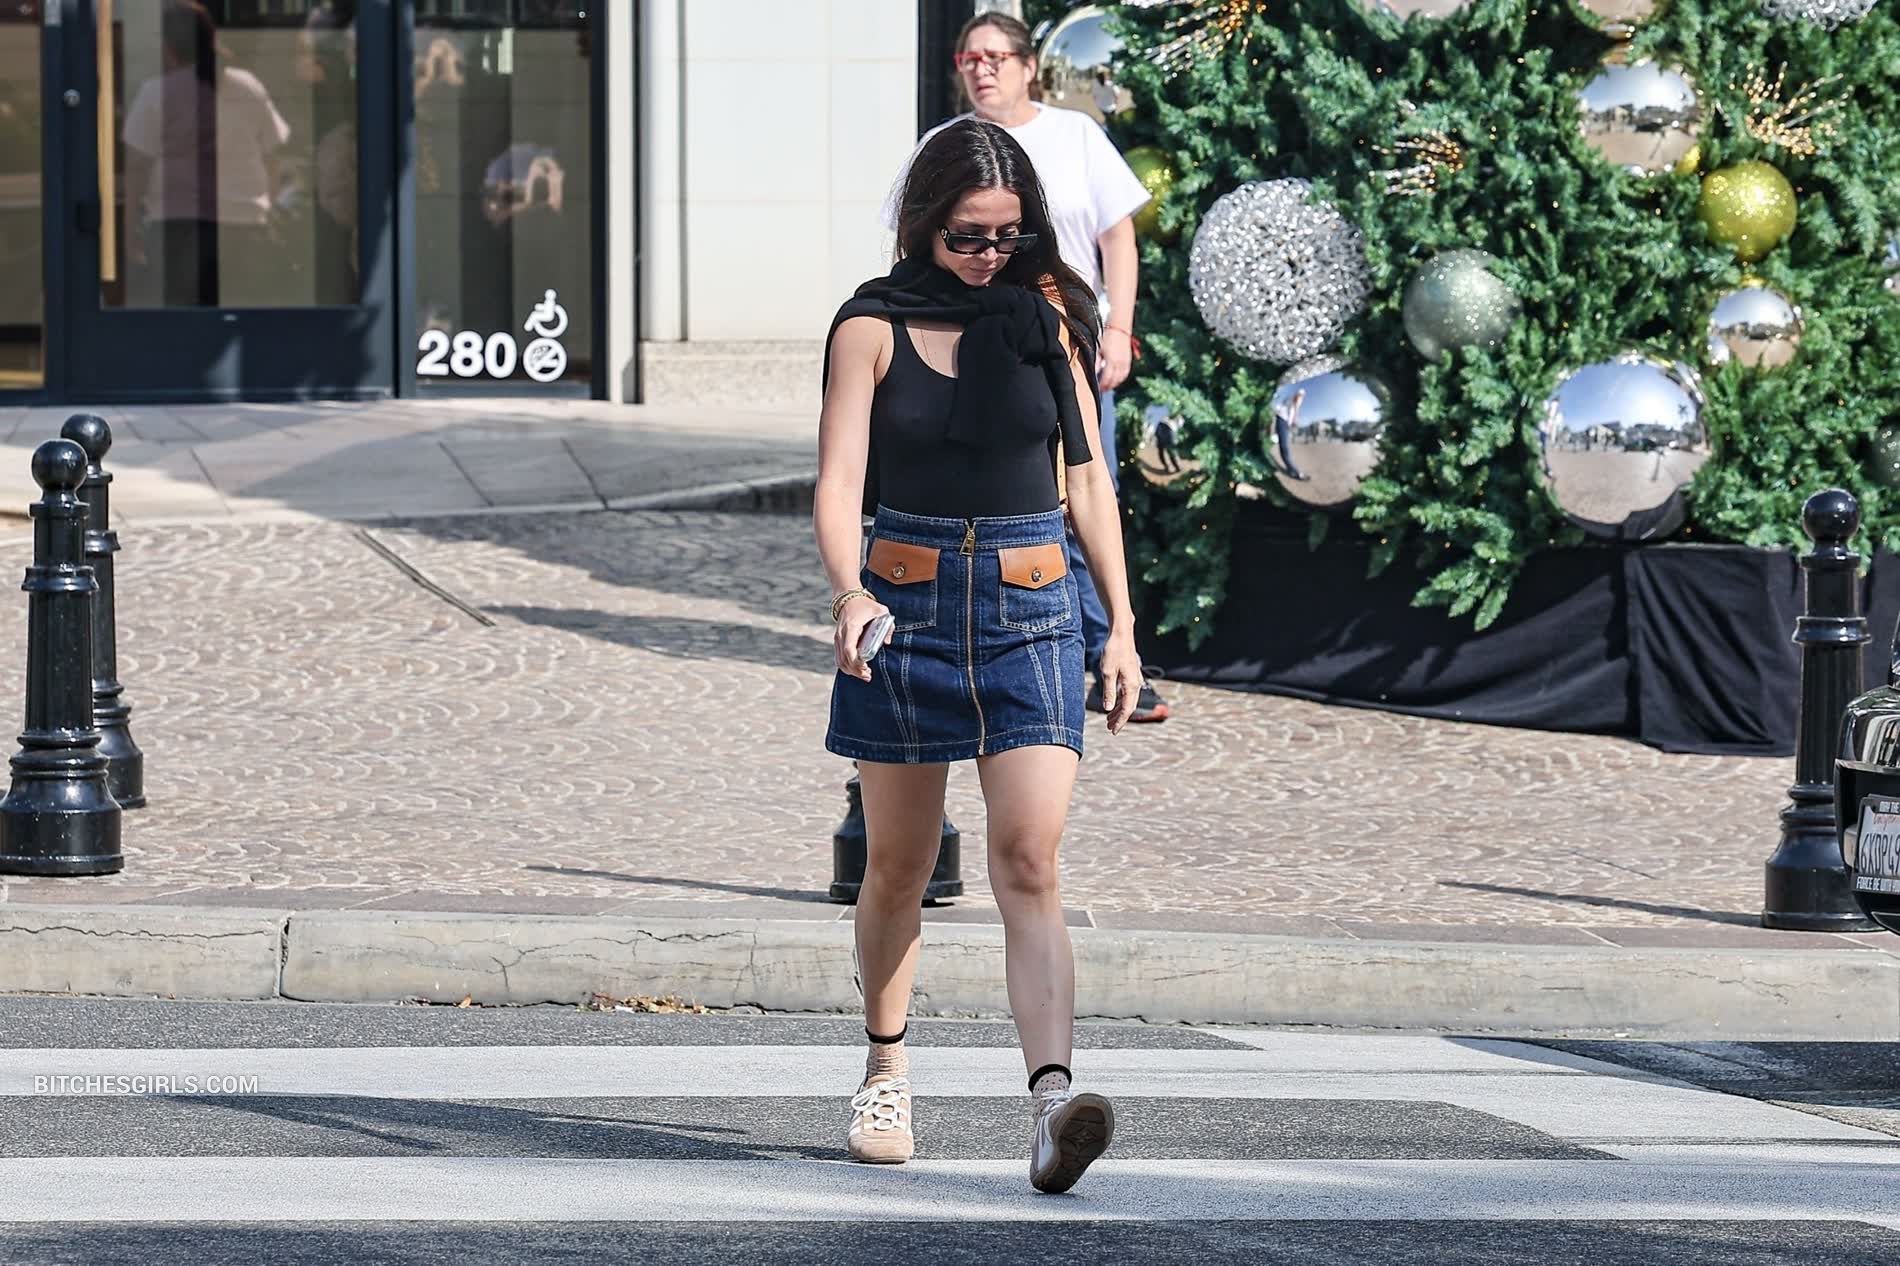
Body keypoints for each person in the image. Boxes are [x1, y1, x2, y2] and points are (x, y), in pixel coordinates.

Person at [817, 118, 1144, 1192]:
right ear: (925, 223)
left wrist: (1121, 625)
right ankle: (885, 1066)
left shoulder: (1044, 320)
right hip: (904, 603)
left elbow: (1085, 480)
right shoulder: (869, 325)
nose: (989, 256)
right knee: (898, 866)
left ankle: (1051, 1107)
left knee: (1029, 859)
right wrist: (848, 591)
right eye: (968, 236)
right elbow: (838, 482)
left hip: (1032, 604)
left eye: (1008, 236)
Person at [883, 10, 1170, 723]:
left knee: (1083, 490)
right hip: (970, 345)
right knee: (1011, 498)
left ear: (1028, 66)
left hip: (1063, 336)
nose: (981, 70)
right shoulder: (945, 144)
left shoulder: (1074, 134)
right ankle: (986, 648)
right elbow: (910, 245)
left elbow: (1118, 237)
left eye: (995, 57)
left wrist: (1119, 328)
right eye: (969, 59)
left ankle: (1101, 646)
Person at [121, 1, 291, 308]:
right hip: (244, 223)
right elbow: (274, 151)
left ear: (167, 46)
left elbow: (137, 166)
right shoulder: (247, 86)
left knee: (185, 319)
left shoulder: (156, 93)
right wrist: (271, 204)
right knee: (240, 318)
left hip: (178, 226)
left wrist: (129, 226)